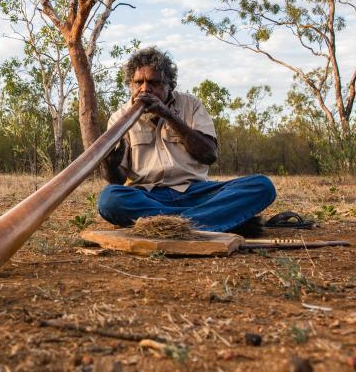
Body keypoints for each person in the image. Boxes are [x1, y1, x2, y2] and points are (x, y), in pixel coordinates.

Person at [99, 46, 276, 233]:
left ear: (169, 85)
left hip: (197, 192)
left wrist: (168, 115)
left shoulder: (191, 105)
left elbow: (209, 154)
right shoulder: (119, 118)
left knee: (261, 186)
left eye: (154, 82)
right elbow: (116, 180)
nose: (145, 89)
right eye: (138, 83)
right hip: (148, 196)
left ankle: (166, 224)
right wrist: (110, 165)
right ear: (130, 85)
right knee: (110, 199)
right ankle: (212, 220)